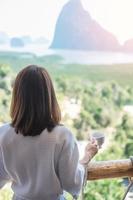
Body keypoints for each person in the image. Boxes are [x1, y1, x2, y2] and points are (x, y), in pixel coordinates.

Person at [0, 65, 98, 200]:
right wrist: (87, 156)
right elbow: (72, 183)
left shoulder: (4, 135)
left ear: (17, 96)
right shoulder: (62, 136)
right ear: (49, 95)